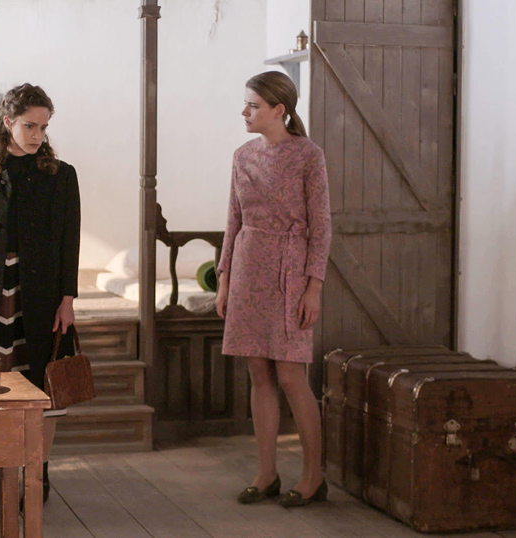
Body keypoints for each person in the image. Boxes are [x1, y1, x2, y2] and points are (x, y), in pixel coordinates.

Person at [0, 83, 80, 508]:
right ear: (7, 122)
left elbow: (69, 240)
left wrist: (68, 299)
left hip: (41, 296)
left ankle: (38, 477)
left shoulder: (61, 175)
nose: (38, 135)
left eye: (44, 127)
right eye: (30, 126)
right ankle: (3, 477)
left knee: (42, 385)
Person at [215, 71, 331, 508]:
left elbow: (322, 226)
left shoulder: (308, 155)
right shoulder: (242, 155)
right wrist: (224, 279)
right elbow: (233, 221)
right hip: (248, 267)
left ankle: (314, 476)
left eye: (253, 105)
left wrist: (313, 287)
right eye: (246, 104)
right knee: (258, 372)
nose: (244, 112)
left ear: (279, 110)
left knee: (290, 376)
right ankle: (266, 474)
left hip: (290, 271)